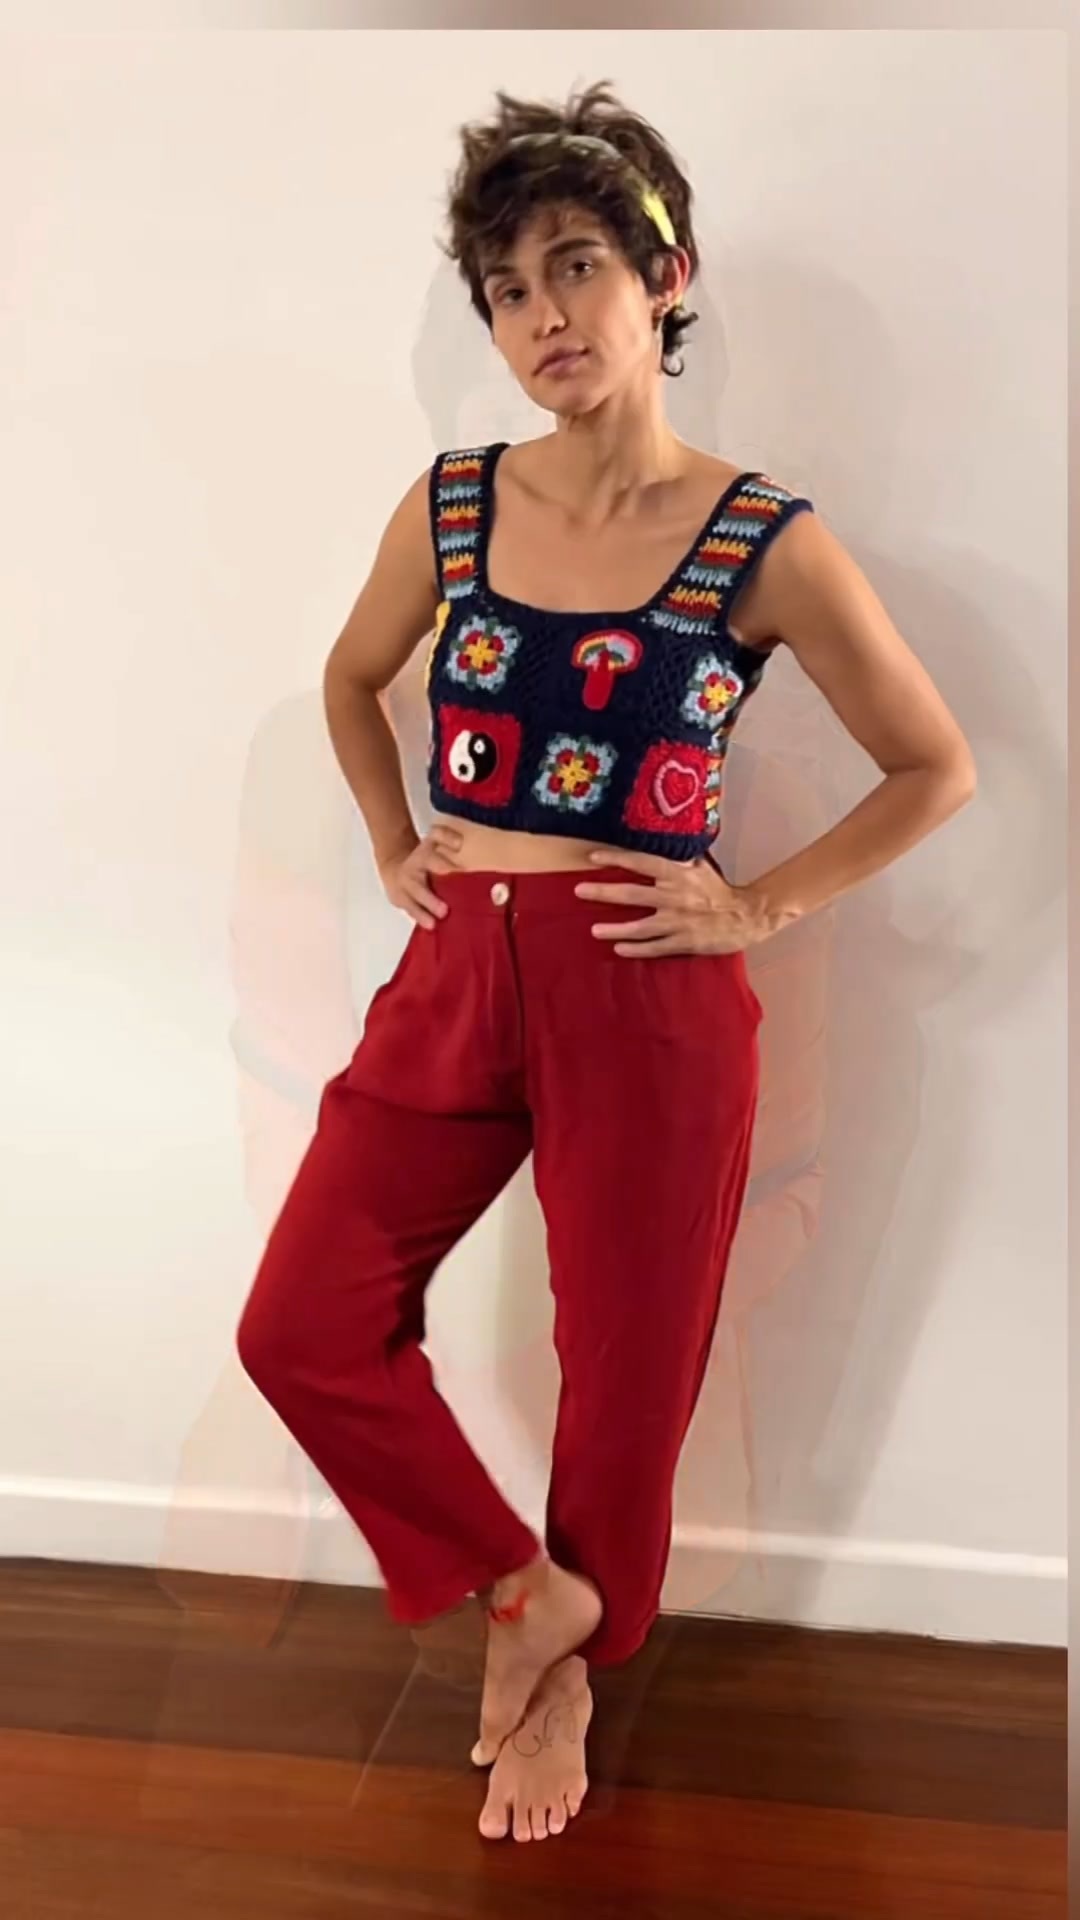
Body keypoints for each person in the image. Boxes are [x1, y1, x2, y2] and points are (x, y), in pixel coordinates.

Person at [235, 79, 977, 1845]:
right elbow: (350, 677)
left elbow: (933, 765)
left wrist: (760, 905)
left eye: (576, 266)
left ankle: (569, 1674)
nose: (542, 316)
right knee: (304, 1324)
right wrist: (394, 837)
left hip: (647, 982)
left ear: (666, 279)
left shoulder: (763, 539)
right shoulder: (454, 505)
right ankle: (525, 1597)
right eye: (506, 289)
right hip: (459, 965)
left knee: (626, 1377)